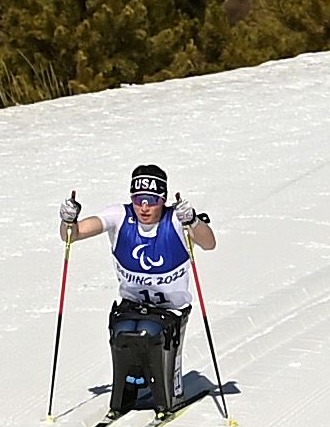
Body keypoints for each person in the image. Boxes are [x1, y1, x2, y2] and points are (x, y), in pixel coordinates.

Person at [62, 164, 217, 414]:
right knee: (123, 334)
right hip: (132, 306)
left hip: (170, 310)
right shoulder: (120, 216)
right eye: (138, 199)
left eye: (152, 200)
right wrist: (69, 221)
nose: (144, 207)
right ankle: (129, 389)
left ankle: (167, 393)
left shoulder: (175, 220)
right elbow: (73, 235)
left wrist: (193, 221)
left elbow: (209, 243)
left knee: (151, 335)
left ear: (162, 199)